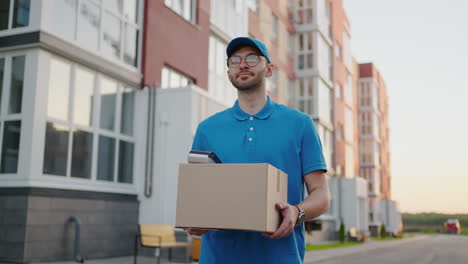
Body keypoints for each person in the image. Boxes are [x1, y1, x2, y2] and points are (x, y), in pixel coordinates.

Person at [188, 37, 330, 264]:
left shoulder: (300, 124)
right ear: (228, 73)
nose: (243, 64)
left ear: (270, 69)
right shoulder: (207, 129)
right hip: (218, 258)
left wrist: (296, 212)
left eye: (252, 58)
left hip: (282, 257)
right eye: (235, 60)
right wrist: (195, 218)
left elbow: (321, 195)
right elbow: (198, 199)